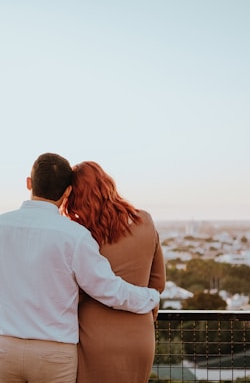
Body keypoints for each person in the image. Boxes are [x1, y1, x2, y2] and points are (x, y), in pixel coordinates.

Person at [0, 153, 161, 383]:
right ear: (67, 191)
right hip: (54, 351)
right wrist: (149, 298)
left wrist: (15, 302)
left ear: (29, 183)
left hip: (3, 347)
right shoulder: (75, 236)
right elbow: (107, 288)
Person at [62, 161, 166, 383]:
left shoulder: (79, 234)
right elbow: (158, 282)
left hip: (92, 337)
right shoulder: (145, 221)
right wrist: (146, 315)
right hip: (140, 335)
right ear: (108, 185)